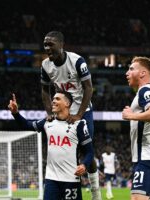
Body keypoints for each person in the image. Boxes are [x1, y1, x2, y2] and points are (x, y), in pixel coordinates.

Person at [41, 31, 101, 199]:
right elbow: (45, 90)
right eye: (45, 45)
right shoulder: (46, 65)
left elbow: (89, 88)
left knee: (86, 151)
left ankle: (96, 193)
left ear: (61, 45)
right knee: (63, 151)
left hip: (83, 111)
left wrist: (79, 114)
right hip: (63, 111)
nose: (47, 48)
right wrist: (49, 113)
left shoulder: (76, 61)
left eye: (50, 44)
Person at [8, 91, 94, 200]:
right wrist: (15, 113)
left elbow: (90, 152)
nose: (53, 101)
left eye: (58, 99)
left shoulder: (79, 125)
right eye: (53, 99)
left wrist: (84, 165)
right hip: (51, 180)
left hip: (71, 180)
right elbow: (27, 125)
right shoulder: (48, 122)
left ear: (67, 104)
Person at [122, 56, 150, 200]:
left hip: (147, 157)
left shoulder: (145, 90)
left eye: (131, 69)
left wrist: (131, 116)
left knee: (137, 198)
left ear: (143, 73)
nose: (127, 73)